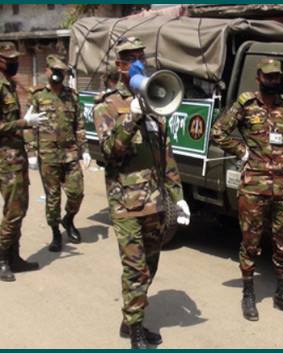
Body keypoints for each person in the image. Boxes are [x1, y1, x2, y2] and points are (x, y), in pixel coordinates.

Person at [92, 36, 191, 349]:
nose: (139, 62)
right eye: (131, 58)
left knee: (150, 267)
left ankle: (129, 320)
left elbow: (166, 154)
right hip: (127, 205)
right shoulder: (107, 105)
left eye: (141, 57)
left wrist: (178, 196)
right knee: (135, 269)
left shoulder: (155, 103)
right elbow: (110, 151)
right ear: (120, 65)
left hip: (156, 203)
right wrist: (131, 116)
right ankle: (136, 335)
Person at [211, 58, 283, 321]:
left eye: (277, 77)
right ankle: (249, 295)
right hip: (254, 187)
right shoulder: (246, 104)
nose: (273, 81)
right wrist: (241, 151)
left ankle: (282, 295)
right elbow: (218, 132)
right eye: (269, 76)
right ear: (259, 77)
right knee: (250, 243)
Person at [0, 42, 47, 282]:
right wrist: (24, 123)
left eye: (15, 58)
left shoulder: (9, 86)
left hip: (16, 158)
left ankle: (14, 257)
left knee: (19, 209)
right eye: (10, 60)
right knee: (13, 211)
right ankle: (1, 261)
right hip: (5, 162)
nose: (15, 63)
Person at [24, 54, 91, 252]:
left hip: (70, 154)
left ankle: (68, 220)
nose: (57, 75)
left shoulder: (72, 95)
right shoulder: (36, 95)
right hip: (47, 155)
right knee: (52, 198)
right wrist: (31, 153)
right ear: (47, 70)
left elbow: (79, 124)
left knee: (76, 192)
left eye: (61, 72)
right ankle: (55, 233)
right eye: (54, 71)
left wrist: (84, 149)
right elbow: (28, 125)